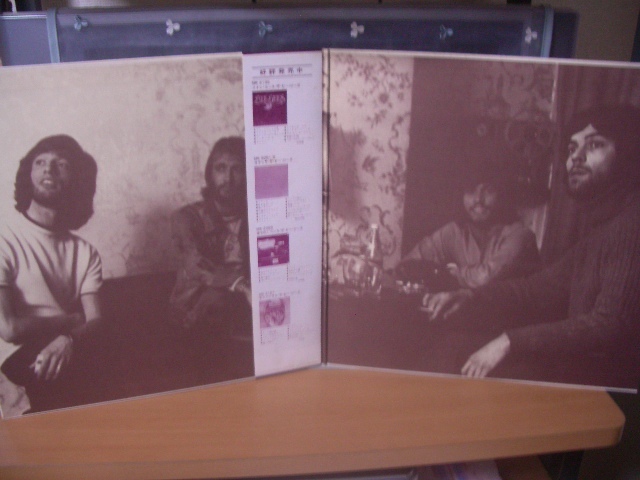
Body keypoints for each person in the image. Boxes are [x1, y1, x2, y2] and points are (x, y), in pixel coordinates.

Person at [422, 105, 640, 388]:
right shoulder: (601, 228)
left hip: (610, 386)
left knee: (458, 357)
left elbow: (609, 326)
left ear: (628, 155)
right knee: (451, 345)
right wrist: (470, 296)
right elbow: (537, 289)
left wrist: (510, 342)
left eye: (595, 145)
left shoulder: (631, 224)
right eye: (572, 148)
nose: (576, 157)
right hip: (584, 372)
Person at [0, 135, 106, 415]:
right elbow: (8, 329)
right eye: (40, 162)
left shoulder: (85, 252)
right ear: (29, 174)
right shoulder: (4, 238)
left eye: (62, 164)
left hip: (66, 350)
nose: (49, 169)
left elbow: (96, 321)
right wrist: (69, 322)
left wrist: (68, 339)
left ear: (76, 180)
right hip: (14, 359)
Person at [169, 136, 253, 382]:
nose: (228, 178)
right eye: (221, 169)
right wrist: (242, 285)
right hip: (195, 315)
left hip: (244, 311)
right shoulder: (187, 218)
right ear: (209, 174)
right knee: (218, 301)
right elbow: (197, 265)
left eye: (237, 169)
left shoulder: (258, 216)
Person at [398, 167, 540, 289]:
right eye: (471, 190)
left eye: (488, 190)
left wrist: (445, 274)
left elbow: (486, 278)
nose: (478, 199)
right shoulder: (454, 232)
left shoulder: (520, 235)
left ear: (503, 194)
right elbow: (406, 266)